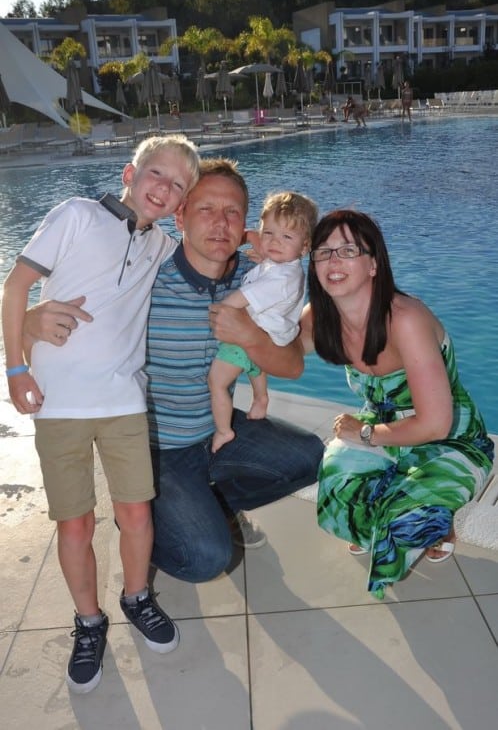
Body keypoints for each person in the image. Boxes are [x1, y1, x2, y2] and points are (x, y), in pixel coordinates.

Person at [22, 158, 325, 589]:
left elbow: (292, 363)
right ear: (179, 215)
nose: (220, 223)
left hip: (216, 430)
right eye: (205, 209)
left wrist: (251, 335)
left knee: (310, 457)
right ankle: (145, 526)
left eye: (232, 212)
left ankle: (209, 505)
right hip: (157, 450)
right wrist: (28, 323)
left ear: (246, 224)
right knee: (207, 558)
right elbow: (67, 306)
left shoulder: (258, 277)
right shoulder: (146, 276)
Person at [2, 135, 200, 693]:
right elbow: (15, 285)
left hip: (123, 403)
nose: (163, 187)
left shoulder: (160, 246)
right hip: (59, 403)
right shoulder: (76, 215)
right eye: (155, 173)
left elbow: (212, 253)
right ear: (128, 174)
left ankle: (136, 597)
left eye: (177, 185)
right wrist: (16, 366)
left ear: (180, 202)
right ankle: (88, 622)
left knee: (136, 514)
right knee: (76, 522)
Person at [300, 208, 494, 600]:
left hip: (448, 436)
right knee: (338, 484)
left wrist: (366, 433)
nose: (334, 260)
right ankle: (382, 512)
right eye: (324, 251)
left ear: (373, 265)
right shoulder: (319, 317)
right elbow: (280, 356)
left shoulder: (404, 318)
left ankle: (439, 521)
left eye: (348, 250)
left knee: (408, 521)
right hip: (385, 429)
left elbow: (435, 424)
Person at [208, 191, 317, 453]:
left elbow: (242, 298)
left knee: (217, 382)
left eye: (286, 237)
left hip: (255, 334)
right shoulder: (283, 267)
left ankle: (223, 430)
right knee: (255, 365)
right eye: (268, 233)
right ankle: (260, 397)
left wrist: (220, 310)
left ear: (305, 247)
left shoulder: (279, 278)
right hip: (269, 334)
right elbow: (269, 267)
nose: (274, 242)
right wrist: (263, 256)